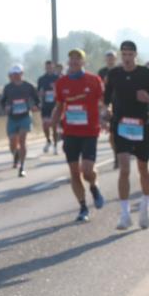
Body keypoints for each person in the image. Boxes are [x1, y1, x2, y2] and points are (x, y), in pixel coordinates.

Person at [104, 41, 149, 230]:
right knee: (124, 168)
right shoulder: (114, 74)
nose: (127, 58)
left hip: (142, 125)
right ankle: (124, 214)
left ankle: (145, 207)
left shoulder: (147, 74)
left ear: (136, 55)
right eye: (124, 54)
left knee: (143, 168)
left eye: (130, 54)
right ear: (120, 56)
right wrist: (105, 110)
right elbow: (106, 98)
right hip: (121, 125)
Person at [52, 49, 106, 222]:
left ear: (83, 62)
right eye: (72, 59)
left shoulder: (94, 80)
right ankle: (83, 207)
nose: (74, 61)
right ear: (68, 62)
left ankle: (94, 186)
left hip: (90, 131)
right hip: (70, 132)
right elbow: (60, 106)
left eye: (78, 59)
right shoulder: (61, 83)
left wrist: (106, 116)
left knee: (87, 170)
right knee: (75, 173)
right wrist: (52, 122)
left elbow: (103, 103)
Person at [0, 64, 39, 177]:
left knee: (22, 140)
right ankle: (16, 155)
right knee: (13, 142)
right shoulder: (8, 88)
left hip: (25, 116)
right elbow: (2, 101)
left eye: (17, 74)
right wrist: (5, 108)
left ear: (21, 74)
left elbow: (37, 100)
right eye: (13, 75)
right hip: (12, 117)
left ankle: (22, 166)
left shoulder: (29, 86)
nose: (15, 76)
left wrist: (35, 106)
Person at [98, 50, 119, 168]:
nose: (110, 59)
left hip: (120, 104)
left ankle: (122, 153)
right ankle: (116, 155)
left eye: (112, 57)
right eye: (108, 57)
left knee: (119, 133)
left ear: (115, 59)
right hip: (107, 105)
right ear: (105, 59)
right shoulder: (101, 72)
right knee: (111, 135)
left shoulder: (120, 70)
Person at [36, 59, 61, 154]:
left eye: (50, 67)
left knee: (54, 126)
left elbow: (61, 91)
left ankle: (55, 145)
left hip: (55, 105)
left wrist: (55, 90)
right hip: (45, 105)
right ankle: (48, 140)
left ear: (53, 67)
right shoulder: (41, 79)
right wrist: (41, 94)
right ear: (45, 68)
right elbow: (38, 92)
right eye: (47, 68)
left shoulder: (58, 78)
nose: (49, 69)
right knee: (45, 125)